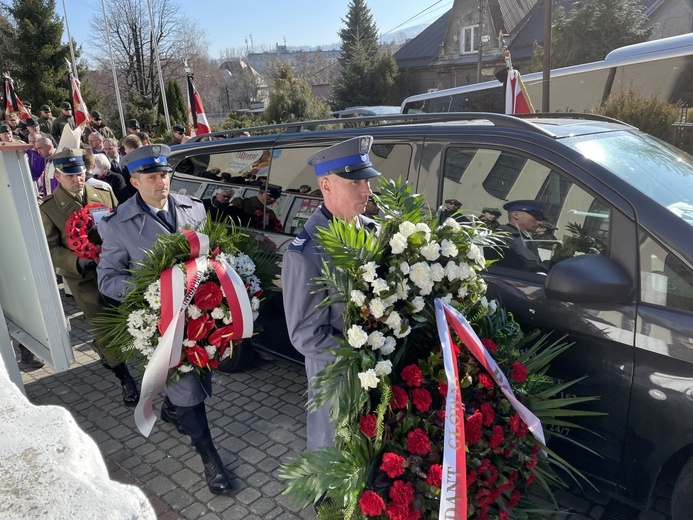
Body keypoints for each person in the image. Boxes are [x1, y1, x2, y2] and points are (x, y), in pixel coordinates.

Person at [96, 144, 237, 496]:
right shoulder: (119, 225)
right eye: (153, 176)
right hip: (163, 326)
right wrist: (156, 294)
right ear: (134, 181)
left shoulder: (193, 208)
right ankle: (209, 457)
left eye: (165, 174)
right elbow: (108, 279)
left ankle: (174, 410)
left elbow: (210, 255)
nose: (162, 181)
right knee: (187, 387)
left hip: (201, 318)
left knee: (195, 379)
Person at [282, 135, 380, 451]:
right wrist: (363, 355)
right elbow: (306, 335)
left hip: (379, 372)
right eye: (355, 182)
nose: (367, 189)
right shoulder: (305, 253)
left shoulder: (373, 230)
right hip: (339, 376)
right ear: (326, 187)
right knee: (335, 453)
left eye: (366, 180)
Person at [38, 148, 139, 406]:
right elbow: (50, 248)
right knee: (103, 324)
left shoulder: (102, 193)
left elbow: (121, 222)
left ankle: (109, 349)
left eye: (80, 173)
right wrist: (76, 261)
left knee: (128, 315)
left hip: (115, 268)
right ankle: (125, 378)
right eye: (69, 176)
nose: (77, 179)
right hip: (84, 278)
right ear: (58, 176)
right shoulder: (50, 208)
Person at [487, 199, 551, 274]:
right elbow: (519, 267)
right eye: (536, 217)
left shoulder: (525, 239)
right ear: (515, 215)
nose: (540, 222)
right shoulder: (502, 237)